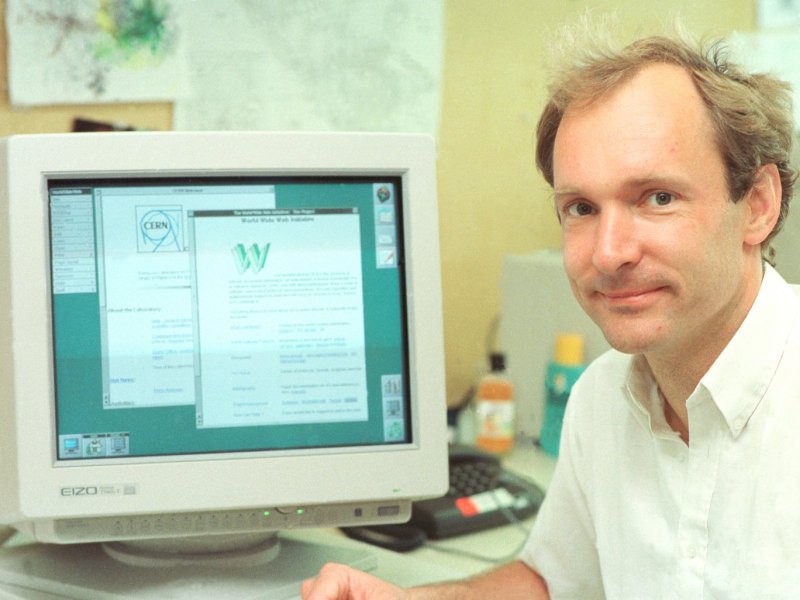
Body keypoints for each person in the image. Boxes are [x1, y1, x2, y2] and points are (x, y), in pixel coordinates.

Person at [301, 28, 800, 600]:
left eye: (657, 197)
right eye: (582, 208)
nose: (609, 252)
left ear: (758, 205)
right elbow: (553, 581)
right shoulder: (602, 399)